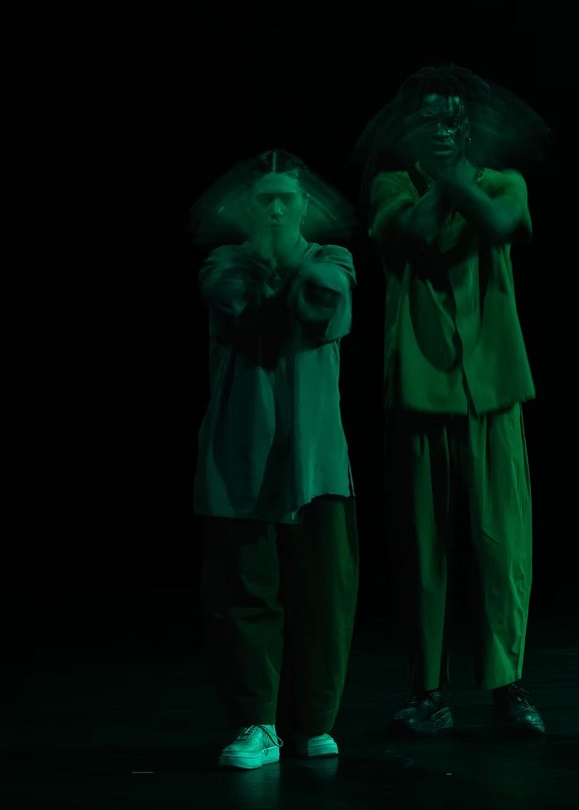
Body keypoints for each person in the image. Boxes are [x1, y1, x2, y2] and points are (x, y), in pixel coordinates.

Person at [354, 64, 551, 738]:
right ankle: (429, 691)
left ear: (469, 126)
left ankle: (508, 686)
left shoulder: (502, 182)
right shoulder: (391, 187)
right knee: (422, 548)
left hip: (494, 391)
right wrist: (444, 177)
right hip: (420, 392)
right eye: (428, 118)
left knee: (503, 545)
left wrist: (456, 173)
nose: (440, 128)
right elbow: (411, 232)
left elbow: (497, 224)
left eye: (452, 118)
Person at [189, 148, 359, 769]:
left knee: (324, 597)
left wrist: (286, 254)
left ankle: (315, 722)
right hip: (244, 461)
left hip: (316, 464)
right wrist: (265, 253)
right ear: (248, 209)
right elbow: (244, 311)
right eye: (264, 200)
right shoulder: (225, 264)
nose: (277, 210)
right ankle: (256, 722)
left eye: (287, 199)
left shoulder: (333, 259)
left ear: (306, 206)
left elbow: (320, 305)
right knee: (244, 593)